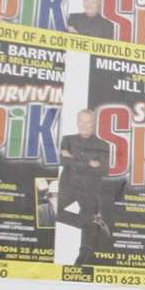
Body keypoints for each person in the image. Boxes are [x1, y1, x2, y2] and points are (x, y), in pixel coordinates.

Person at [59, 108, 112, 261]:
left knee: (90, 236)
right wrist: (89, 162)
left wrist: (73, 159)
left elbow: (103, 168)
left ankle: (81, 263)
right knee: (47, 210)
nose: (84, 125)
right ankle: (89, 220)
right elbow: (62, 160)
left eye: (88, 122)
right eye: (81, 121)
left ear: (93, 123)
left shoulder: (103, 145)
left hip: (90, 189)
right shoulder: (67, 140)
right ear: (77, 122)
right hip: (68, 186)